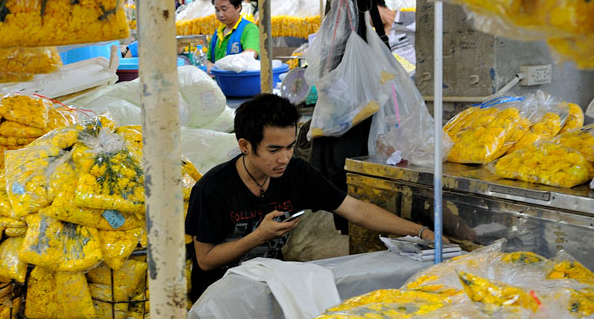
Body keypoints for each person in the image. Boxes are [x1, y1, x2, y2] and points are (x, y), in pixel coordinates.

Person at [185, 94, 442, 301]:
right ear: (245, 146)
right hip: (218, 299)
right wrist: (259, 235)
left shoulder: (296, 173)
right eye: (273, 150)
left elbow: (356, 210)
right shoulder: (212, 189)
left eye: (289, 147)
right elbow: (206, 261)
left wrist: (420, 232)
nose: (284, 158)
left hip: (269, 288)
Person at [205, 0, 260, 70]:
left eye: (224, 9)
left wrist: (224, 65)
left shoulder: (249, 29)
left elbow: (251, 54)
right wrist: (209, 65)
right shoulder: (218, 32)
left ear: (237, 7)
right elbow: (209, 59)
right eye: (217, 10)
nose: (220, 14)